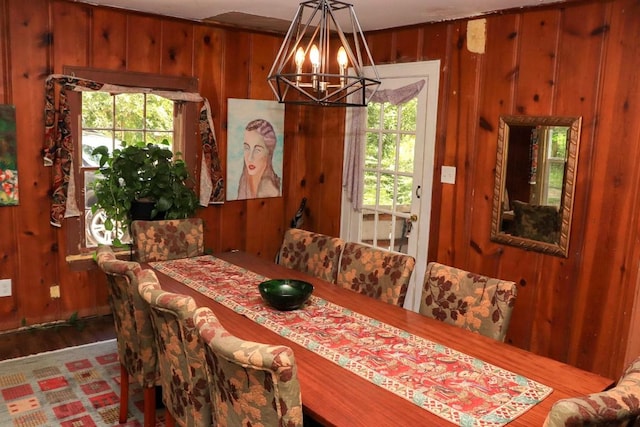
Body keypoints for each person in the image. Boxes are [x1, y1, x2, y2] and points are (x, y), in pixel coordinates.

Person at [237, 118, 282, 199]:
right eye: (247, 148)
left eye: (257, 150)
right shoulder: (244, 182)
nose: (250, 158)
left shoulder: (270, 190)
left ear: (268, 153)